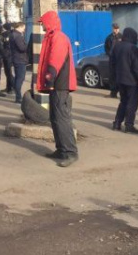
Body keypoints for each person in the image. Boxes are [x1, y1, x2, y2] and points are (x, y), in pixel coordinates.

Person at [37, 10, 78, 167]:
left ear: (49, 22)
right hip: (56, 85)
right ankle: (61, 149)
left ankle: (70, 152)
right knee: (55, 118)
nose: (42, 26)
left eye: (43, 23)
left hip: (61, 85)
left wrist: (50, 77)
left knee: (62, 118)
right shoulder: (51, 37)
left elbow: (55, 60)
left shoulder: (58, 38)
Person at [109, 28, 138, 134]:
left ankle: (117, 123)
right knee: (132, 103)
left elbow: (112, 63)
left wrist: (114, 78)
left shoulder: (117, 46)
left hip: (120, 78)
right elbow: (136, 66)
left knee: (123, 101)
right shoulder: (133, 48)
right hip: (131, 80)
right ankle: (129, 125)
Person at [9, 22, 29, 103]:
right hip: (20, 59)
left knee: (18, 77)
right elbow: (22, 48)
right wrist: (27, 46)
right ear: (20, 27)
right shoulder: (17, 36)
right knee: (20, 78)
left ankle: (17, 94)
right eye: (24, 28)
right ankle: (18, 97)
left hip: (16, 58)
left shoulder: (12, 34)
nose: (24, 30)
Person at [104, 23, 122, 98]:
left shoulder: (122, 36)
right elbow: (106, 47)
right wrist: (109, 54)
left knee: (120, 76)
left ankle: (122, 93)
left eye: (117, 28)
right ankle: (113, 93)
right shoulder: (109, 37)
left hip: (120, 59)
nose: (116, 30)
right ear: (112, 29)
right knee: (112, 76)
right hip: (112, 59)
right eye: (114, 28)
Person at [0, 23, 15, 95]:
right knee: (8, 72)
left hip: (7, 55)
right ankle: (9, 88)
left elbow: (1, 45)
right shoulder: (13, 34)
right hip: (10, 55)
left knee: (8, 73)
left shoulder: (4, 35)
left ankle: (12, 88)